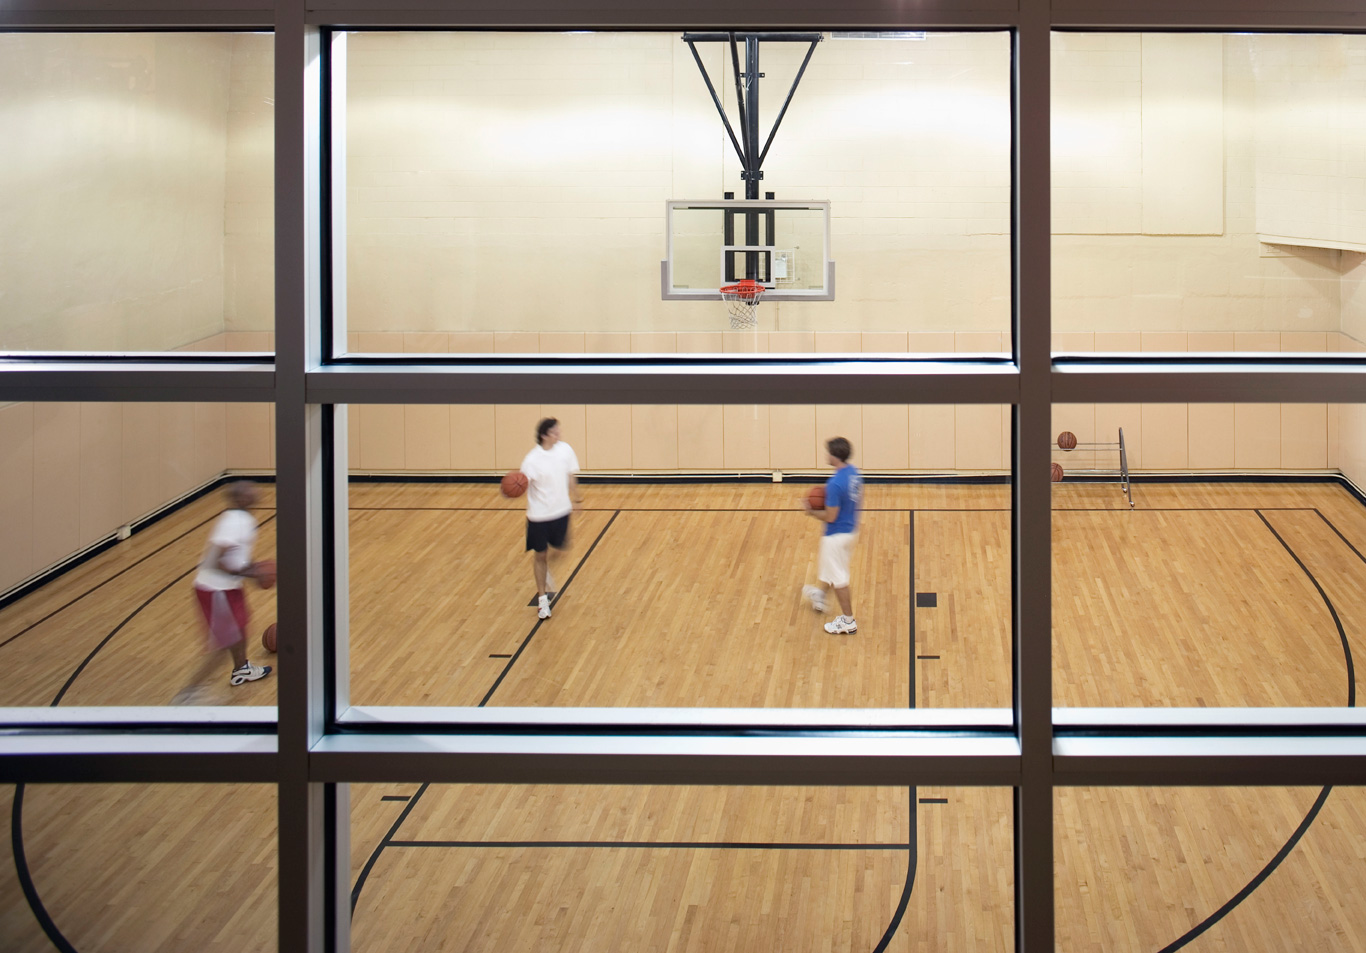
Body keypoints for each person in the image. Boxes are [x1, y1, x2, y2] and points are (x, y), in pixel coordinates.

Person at [180, 480, 274, 696]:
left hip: (228, 587)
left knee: (240, 628)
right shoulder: (234, 522)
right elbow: (216, 561)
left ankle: (241, 669)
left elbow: (237, 558)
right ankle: (189, 693)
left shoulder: (242, 518)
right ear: (240, 498)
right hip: (215, 590)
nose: (256, 491)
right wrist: (253, 574)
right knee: (224, 644)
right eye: (249, 490)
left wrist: (253, 568)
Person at [521, 418, 582, 619]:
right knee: (540, 555)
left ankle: (545, 568)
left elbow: (571, 475)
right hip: (538, 516)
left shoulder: (565, 450)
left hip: (561, 512)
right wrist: (512, 488)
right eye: (555, 432)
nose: (559, 434)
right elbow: (521, 485)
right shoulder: (531, 460)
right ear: (544, 435)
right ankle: (542, 600)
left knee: (559, 550)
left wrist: (577, 499)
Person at [802, 437, 863, 634]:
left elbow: (830, 516)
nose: (826, 455)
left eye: (828, 452)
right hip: (850, 531)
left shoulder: (835, 484)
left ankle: (848, 621)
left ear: (834, 456)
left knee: (839, 578)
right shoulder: (853, 473)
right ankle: (820, 594)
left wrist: (811, 511)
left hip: (836, 536)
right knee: (833, 568)